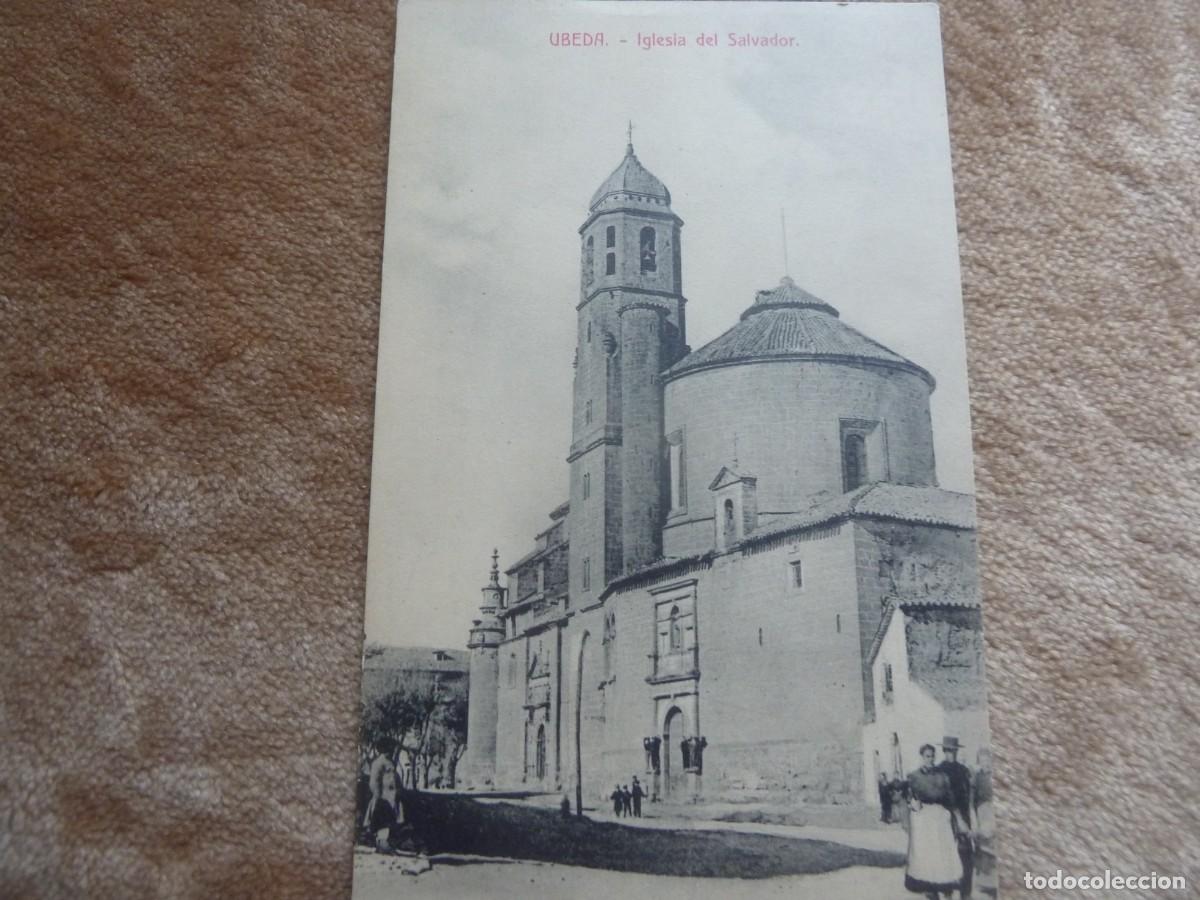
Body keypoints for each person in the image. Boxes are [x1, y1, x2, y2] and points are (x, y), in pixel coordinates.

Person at [904, 743, 962, 899]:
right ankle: (931, 891)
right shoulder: (914, 776)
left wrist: (957, 818)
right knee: (926, 855)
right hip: (923, 819)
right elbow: (908, 796)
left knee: (943, 854)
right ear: (922, 757)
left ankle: (946, 888)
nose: (930, 759)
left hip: (939, 818)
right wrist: (912, 803)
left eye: (932, 756)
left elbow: (950, 798)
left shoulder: (942, 776)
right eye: (927, 756)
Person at [936, 736, 974, 899]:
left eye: (954, 750)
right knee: (948, 855)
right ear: (944, 751)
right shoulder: (939, 770)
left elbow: (968, 794)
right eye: (948, 750)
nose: (951, 753)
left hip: (964, 817)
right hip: (946, 817)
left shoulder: (963, 770)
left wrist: (968, 818)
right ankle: (947, 893)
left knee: (966, 854)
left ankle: (965, 893)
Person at [972, 749, 998, 898]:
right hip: (983, 811)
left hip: (995, 809)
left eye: (987, 760)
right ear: (979, 762)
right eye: (982, 760)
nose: (985, 763)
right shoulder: (977, 777)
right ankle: (987, 881)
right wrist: (975, 816)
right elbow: (973, 798)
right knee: (986, 845)